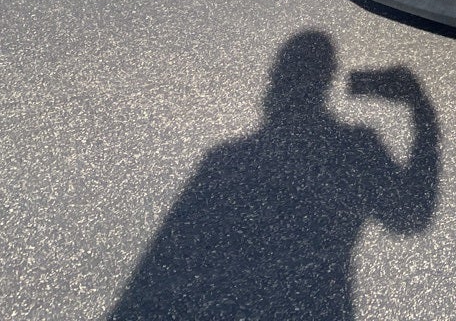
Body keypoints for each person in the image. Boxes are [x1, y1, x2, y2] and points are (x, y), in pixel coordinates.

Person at [107, 31, 439, 320]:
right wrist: (420, 108)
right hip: (321, 305)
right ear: (326, 80)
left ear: (276, 80)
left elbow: (167, 257)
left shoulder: (223, 159)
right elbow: (409, 218)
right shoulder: (358, 146)